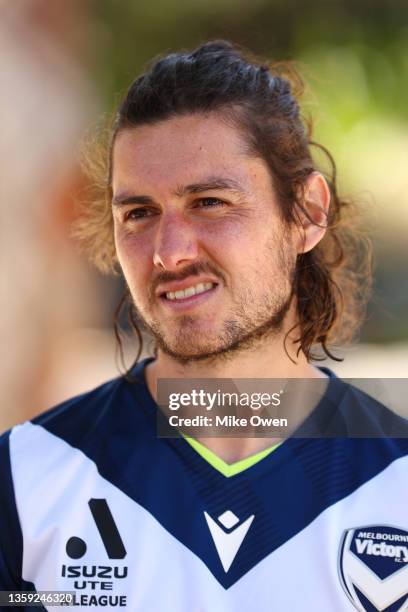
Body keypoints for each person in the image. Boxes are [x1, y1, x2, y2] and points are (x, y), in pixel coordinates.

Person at [1, 40, 407, 612]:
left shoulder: (396, 483)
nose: (168, 252)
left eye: (210, 202)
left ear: (307, 213)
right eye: (139, 213)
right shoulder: (24, 479)